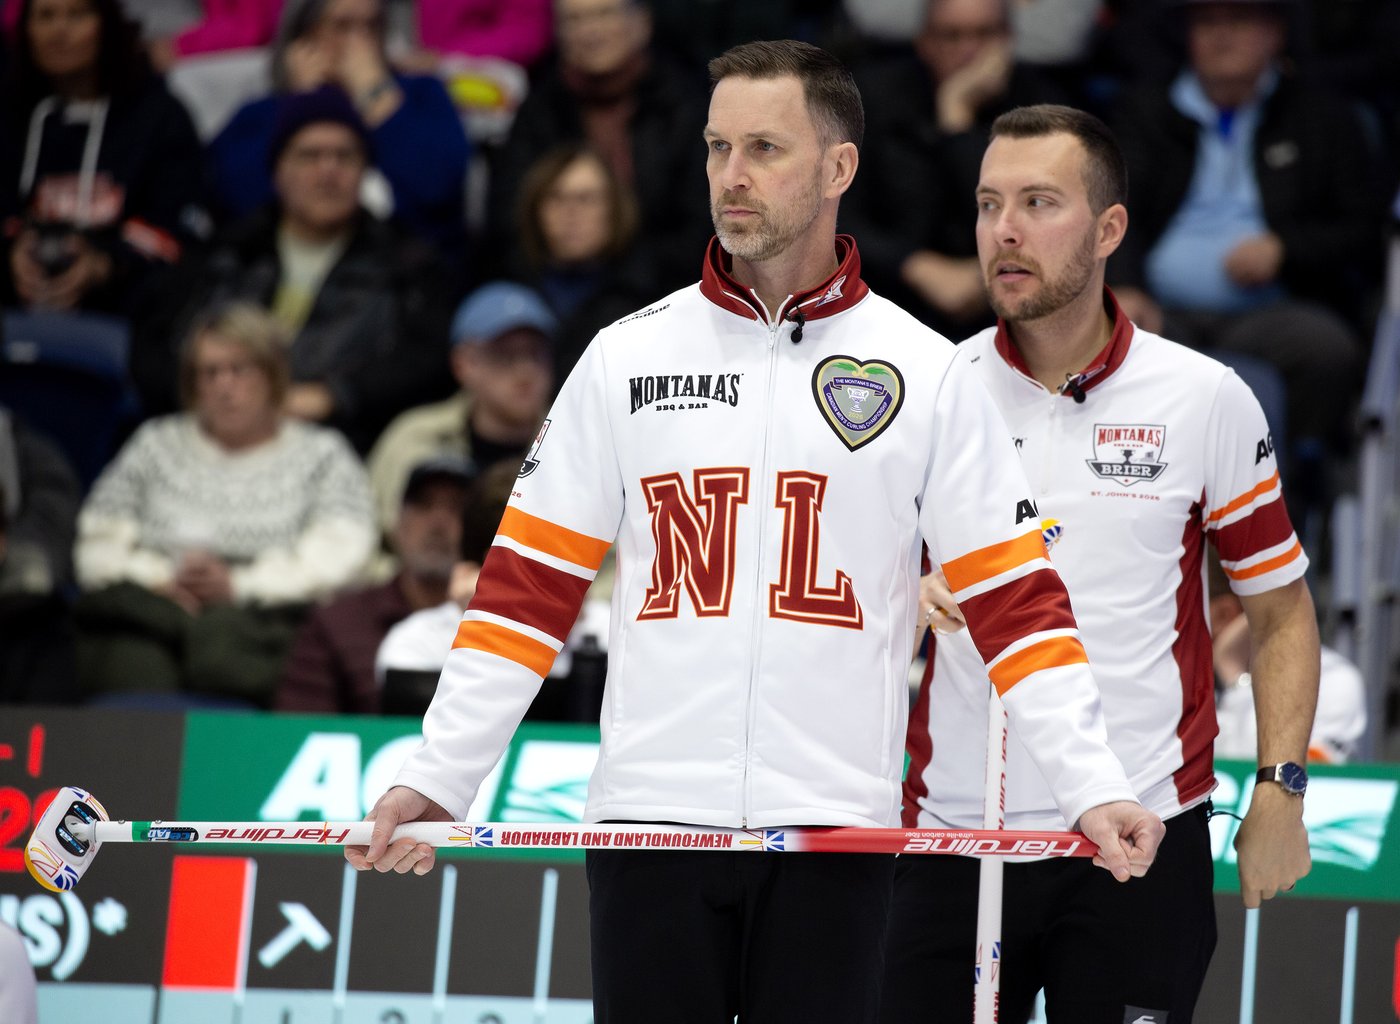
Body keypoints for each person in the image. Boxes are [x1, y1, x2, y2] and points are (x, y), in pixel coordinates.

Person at [347, 41, 1163, 1024]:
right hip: (650, 829)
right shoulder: (624, 357)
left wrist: (1089, 783)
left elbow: (1017, 607)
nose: (730, 175)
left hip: (836, 835)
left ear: (836, 169)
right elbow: (524, 593)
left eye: (764, 147)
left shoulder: (926, 373)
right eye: (715, 146)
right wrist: (440, 776)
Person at [882, 104, 1319, 1024]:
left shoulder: (1205, 398)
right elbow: (846, 584)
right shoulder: (928, 390)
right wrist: (903, 584)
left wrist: (1280, 792)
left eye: (1040, 202)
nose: (1005, 229)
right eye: (989, 203)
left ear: (1110, 228)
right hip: (956, 839)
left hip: (1142, 836)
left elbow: (1282, 614)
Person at [1107, 0, 1389, 515]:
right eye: (1207, 23)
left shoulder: (1323, 116)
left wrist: (1286, 248)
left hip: (1272, 312)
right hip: (1161, 310)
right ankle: (1147, 508)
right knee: (1111, 347)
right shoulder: (1142, 111)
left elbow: (1363, 231)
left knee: (1327, 349)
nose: (1222, 37)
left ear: (1274, 33)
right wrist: (1123, 286)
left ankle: (1292, 496)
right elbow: (1106, 211)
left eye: (1239, 21)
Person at [74, 301, 375, 706]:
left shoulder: (322, 454)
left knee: (233, 653)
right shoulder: (156, 443)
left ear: (273, 375)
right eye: (209, 372)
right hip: (153, 609)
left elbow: (343, 558)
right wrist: (160, 580)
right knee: (128, 661)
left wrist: (240, 585)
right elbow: (97, 543)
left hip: (263, 622)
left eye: (240, 369)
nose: (224, 386)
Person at [137, 85, 453, 452]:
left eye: (344, 156)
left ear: (365, 171)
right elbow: (151, 347)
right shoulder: (224, 254)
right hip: (205, 434)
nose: (328, 171)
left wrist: (333, 397)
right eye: (309, 156)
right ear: (277, 171)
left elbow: (424, 363)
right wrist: (210, 397)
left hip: (339, 441)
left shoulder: (408, 265)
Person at [842, 0, 1069, 339]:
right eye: (952, 36)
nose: (969, 50)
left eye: (984, 34)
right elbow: (836, 213)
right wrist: (913, 265)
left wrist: (956, 120)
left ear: (1008, 38)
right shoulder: (870, 97)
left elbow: (1030, 219)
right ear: (924, 42)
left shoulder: (1044, 108)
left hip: (1003, 303)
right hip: (883, 294)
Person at [207, 0, 471, 262]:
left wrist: (377, 97)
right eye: (343, 26)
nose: (361, 42)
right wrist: (301, 106)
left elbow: (438, 189)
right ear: (304, 36)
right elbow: (236, 202)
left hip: (406, 274)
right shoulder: (264, 112)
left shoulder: (421, 95)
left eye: (372, 26)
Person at [485, 0, 711, 296]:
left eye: (603, 14)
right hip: (550, 286)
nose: (590, 31)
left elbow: (701, 223)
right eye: (574, 20)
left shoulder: (685, 105)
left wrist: (629, 279)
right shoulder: (539, 108)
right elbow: (507, 218)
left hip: (664, 287)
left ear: (642, 24)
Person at [0, 0, 210, 316]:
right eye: (45, 16)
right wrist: (11, 253)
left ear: (108, 25)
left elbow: (178, 226)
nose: (59, 31)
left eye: (77, 14)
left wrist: (105, 264)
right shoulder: (9, 114)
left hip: (127, 315)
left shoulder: (159, 116)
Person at [276, 455, 475, 713]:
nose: (437, 523)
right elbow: (299, 728)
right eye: (422, 505)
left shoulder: (504, 626)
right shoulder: (337, 622)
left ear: (479, 528)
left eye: (456, 508)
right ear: (396, 524)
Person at [365, 279, 554, 533]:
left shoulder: (575, 446)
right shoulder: (414, 438)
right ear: (463, 364)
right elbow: (373, 536)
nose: (525, 371)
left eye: (536, 353)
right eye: (505, 355)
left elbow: (612, 560)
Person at [509, 143, 653, 378]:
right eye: (555, 198)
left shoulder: (648, 303)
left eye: (586, 198)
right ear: (535, 210)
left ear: (614, 208)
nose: (570, 213)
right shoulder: (508, 292)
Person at [1209, 552, 1365, 764]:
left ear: (1224, 613)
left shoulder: (1331, 678)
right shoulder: (1181, 675)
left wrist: (1235, 677)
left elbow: (1296, 779)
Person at [0, 406, 80, 703]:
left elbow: (53, 514)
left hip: (18, 607)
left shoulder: (26, 450)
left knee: (45, 614)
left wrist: (17, 550)